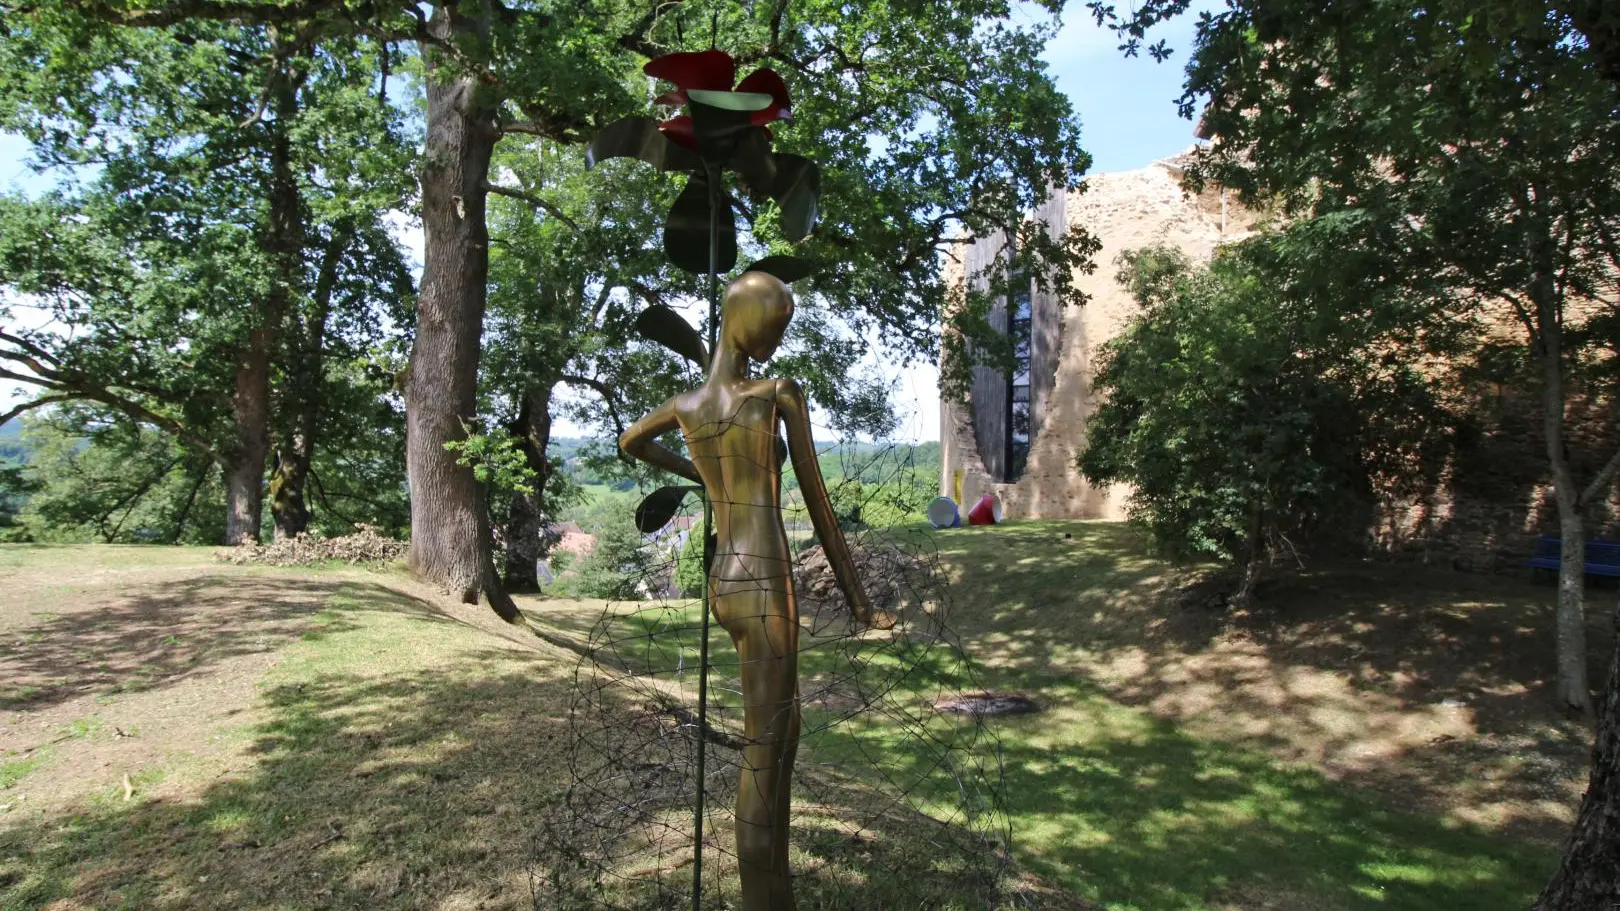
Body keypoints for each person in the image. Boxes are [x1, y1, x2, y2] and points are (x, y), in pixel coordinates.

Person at [618, 270, 887, 910]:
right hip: (766, 579)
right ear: (744, 320)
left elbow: (632, 441)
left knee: (782, 730)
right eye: (774, 324)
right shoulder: (775, 393)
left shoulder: (687, 406)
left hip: (722, 584)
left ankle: (774, 889)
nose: (777, 338)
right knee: (766, 751)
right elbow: (818, 504)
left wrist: (705, 479)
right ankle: (764, 897)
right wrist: (860, 602)